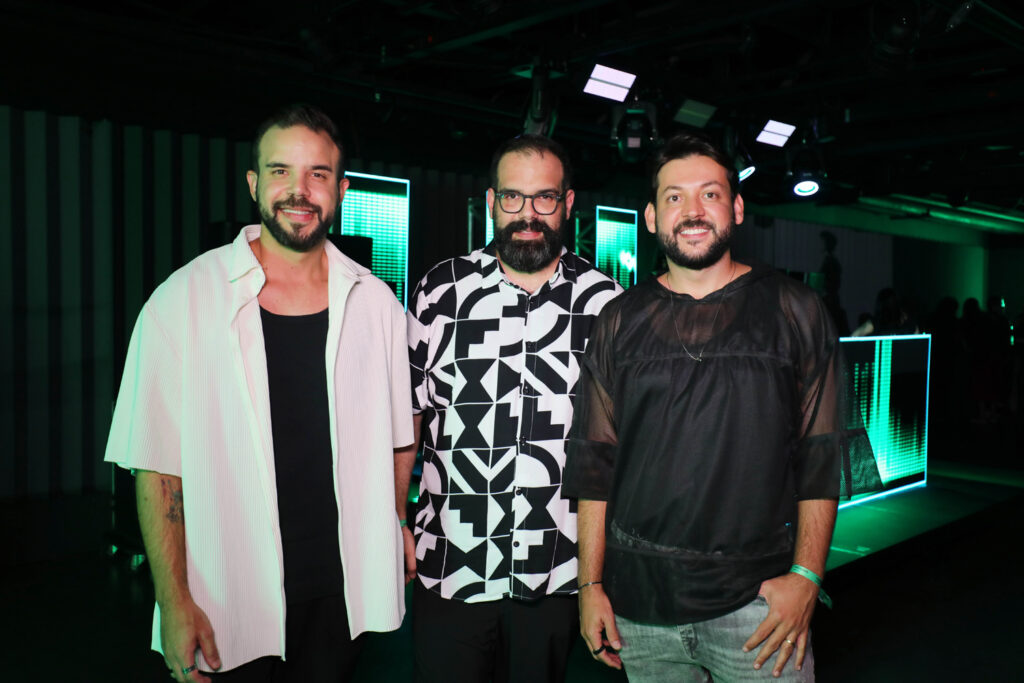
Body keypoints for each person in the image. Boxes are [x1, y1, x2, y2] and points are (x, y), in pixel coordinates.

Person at [105, 104, 413, 682]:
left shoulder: (376, 304)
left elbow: (400, 436)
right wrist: (173, 601)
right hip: (227, 600)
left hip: (339, 596)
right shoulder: (181, 301)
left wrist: (395, 523)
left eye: (318, 174)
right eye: (280, 171)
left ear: (341, 190)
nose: (299, 191)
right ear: (253, 184)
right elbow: (156, 467)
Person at [565, 133, 880, 681]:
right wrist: (590, 585)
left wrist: (807, 577)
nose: (692, 211)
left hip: (758, 609)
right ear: (651, 217)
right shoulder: (618, 320)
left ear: (736, 208)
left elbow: (822, 455)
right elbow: (595, 464)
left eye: (709, 194)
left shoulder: (795, 310)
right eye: (674, 197)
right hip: (641, 609)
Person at [398, 134, 622, 682]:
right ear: (491, 201)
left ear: (568, 204)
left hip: (555, 571)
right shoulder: (439, 292)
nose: (528, 214)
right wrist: (396, 517)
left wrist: (599, 573)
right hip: (450, 562)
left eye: (545, 198)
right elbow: (409, 416)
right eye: (513, 197)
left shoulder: (607, 304)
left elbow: (615, 447)